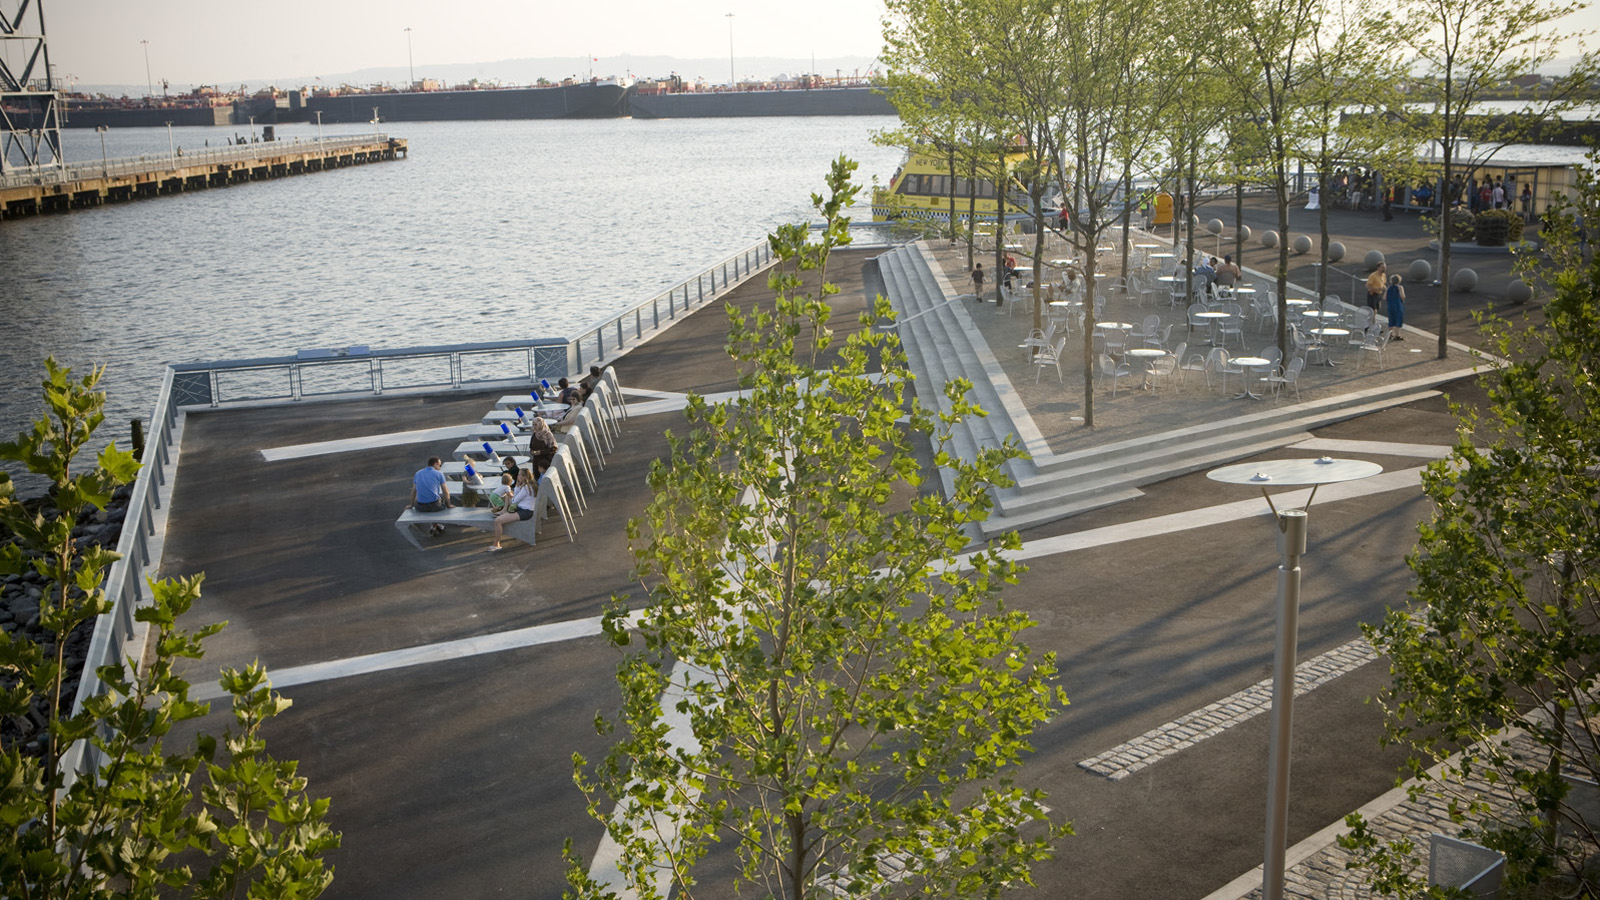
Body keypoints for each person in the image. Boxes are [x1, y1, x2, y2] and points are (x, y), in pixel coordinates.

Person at [487, 469, 538, 552]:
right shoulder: (530, 485)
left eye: (519, 475)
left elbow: (515, 501)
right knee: (508, 497)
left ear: (524, 477)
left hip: (524, 511)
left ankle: (496, 544)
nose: (518, 476)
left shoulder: (526, 487)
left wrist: (517, 488)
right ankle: (504, 511)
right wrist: (517, 486)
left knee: (498, 521)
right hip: (526, 510)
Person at [407, 456, 451, 537]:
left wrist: (411, 504)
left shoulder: (418, 473)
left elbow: (413, 491)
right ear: (436, 464)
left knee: (423, 500)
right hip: (435, 506)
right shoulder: (439, 474)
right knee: (440, 501)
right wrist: (449, 504)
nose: (440, 467)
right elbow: (445, 491)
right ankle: (435, 525)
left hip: (421, 507)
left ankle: (435, 526)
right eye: (440, 465)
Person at [1384, 274, 1406, 340]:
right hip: (1398, 305)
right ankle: (1397, 335)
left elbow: (1384, 297)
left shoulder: (1388, 288)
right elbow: (1403, 296)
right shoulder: (1400, 287)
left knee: (1391, 319)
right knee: (1398, 319)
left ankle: (1390, 334)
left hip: (1390, 305)